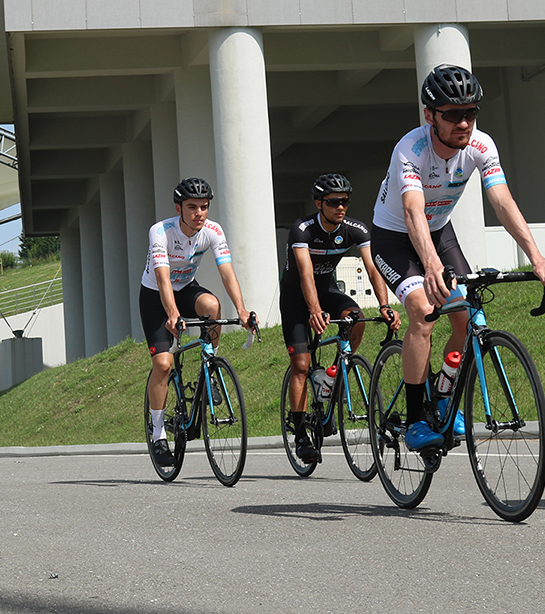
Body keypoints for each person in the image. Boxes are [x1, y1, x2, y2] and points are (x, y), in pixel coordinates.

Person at [371, 64, 545, 450]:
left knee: (466, 316)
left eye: (471, 112)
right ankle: (414, 420)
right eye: (453, 114)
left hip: (440, 232)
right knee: (423, 310)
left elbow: (502, 201)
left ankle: (442, 396)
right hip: (395, 237)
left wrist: (538, 259)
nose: (464, 123)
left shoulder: (481, 145)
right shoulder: (409, 150)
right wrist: (429, 266)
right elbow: (412, 212)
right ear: (430, 115)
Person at [280, 173, 399, 463]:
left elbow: (372, 268)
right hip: (297, 297)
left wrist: (385, 305)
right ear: (319, 203)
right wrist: (313, 310)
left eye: (345, 201)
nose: (341, 207)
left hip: (328, 290)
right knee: (301, 364)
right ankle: (300, 433)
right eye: (334, 202)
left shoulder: (355, 229)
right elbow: (306, 274)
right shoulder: (303, 229)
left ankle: (331, 379)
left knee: (356, 319)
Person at [141, 177, 257, 467]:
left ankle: (210, 366)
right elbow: (162, 277)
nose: (199, 213)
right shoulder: (161, 232)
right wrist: (171, 313)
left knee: (211, 305)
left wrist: (242, 311)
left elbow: (227, 272)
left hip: (187, 289)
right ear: (178, 208)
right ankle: (157, 435)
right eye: (192, 207)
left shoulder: (213, 231)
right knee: (164, 365)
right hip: (156, 296)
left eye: (204, 207)